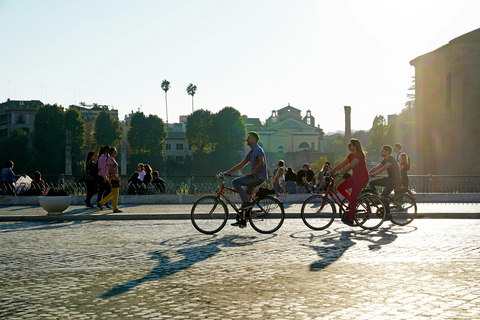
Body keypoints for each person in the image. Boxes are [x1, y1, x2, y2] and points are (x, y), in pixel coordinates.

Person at [223, 131, 267, 227]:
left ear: (254, 140)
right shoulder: (252, 152)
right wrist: (226, 172)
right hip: (255, 176)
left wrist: (253, 172)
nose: (246, 139)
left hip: (257, 177)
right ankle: (243, 220)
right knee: (245, 199)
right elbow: (241, 165)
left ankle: (247, 203)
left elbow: (261, 162)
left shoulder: (257, 150)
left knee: (235, 182)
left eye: (249, 138)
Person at [328, 139, 369, 226]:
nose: (348, 146)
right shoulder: (351, 155)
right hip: (355, 177)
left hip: (362, 178)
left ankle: (351, 219)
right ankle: (352, 205)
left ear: (355, 146)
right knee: (340, 188)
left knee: (353, 196)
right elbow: (342, 164)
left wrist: (340, 173)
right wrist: (330, 172)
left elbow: (350, 166)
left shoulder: (359, 155)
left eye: (350, 145)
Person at [98, 148, 122, 213]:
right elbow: (111, 169)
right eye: (114, 151)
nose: (116, 152)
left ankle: (101, 202)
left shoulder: (111, 159)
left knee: (114, 193)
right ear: (111, 152)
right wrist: (115, 177)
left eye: (116, 151)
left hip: (112, 177)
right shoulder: (110, 159)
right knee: (116, 193)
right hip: (112, 177)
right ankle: (115, 208)